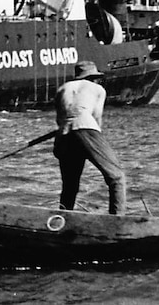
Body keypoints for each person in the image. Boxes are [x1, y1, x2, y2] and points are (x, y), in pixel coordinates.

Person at [54, 61, 127, 215]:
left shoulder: (62, 88)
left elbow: (60, 119)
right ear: (93, 77)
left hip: (64, 133)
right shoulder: (98, 89)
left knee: (70, 186)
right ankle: (118, 220)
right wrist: (96, 140)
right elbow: (96, 118)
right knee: (117, 177)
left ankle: (62, 218)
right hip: (86, 127)